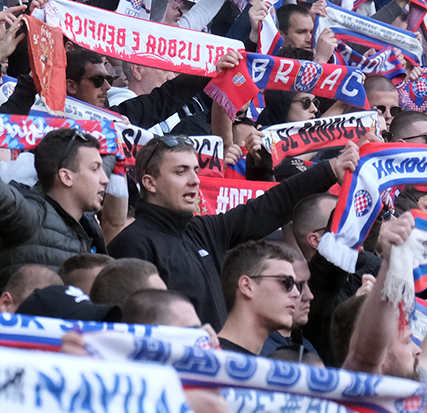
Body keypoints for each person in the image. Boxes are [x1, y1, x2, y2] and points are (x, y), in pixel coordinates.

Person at [108, 137, 356, 329]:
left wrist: (331, 169)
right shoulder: (132, 244)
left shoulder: (203, 230)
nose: (195, 180)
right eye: (180, 171)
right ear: (150, 183)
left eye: (195, 170)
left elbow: (270, 206)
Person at [0, 127, 108, 292]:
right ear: (66, 177)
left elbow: (112, 159)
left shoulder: (86, 223)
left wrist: (118, 143)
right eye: (95, 168)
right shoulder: (28, 216)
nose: (105, 179)